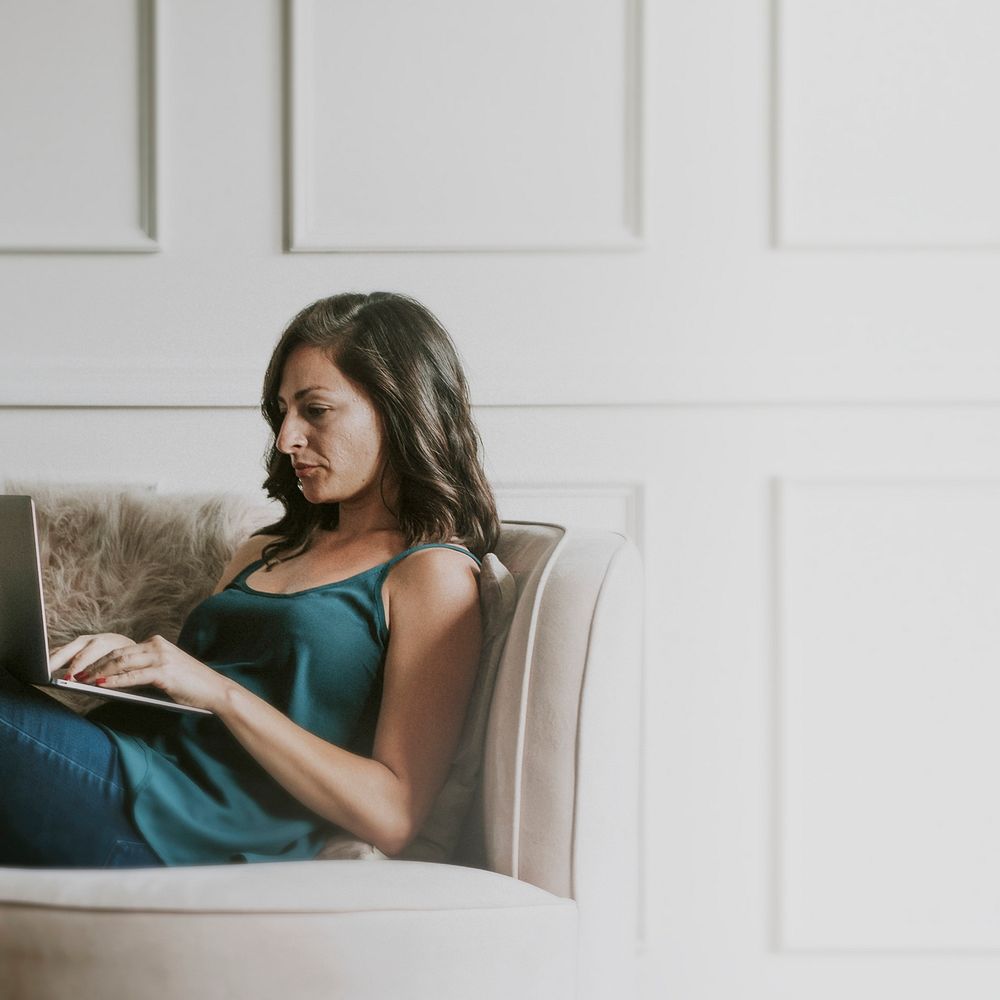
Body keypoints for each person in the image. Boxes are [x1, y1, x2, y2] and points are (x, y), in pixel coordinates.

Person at [0, 291, 500, 867]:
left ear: (399, 409)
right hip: (124, 760)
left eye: (315, 410)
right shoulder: (265, 548)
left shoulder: (430, 574)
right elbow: (190, 701)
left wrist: (218, 690)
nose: (287, 439)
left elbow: (393, 813)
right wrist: (135, 664)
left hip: (187, 823)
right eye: (282, 412)